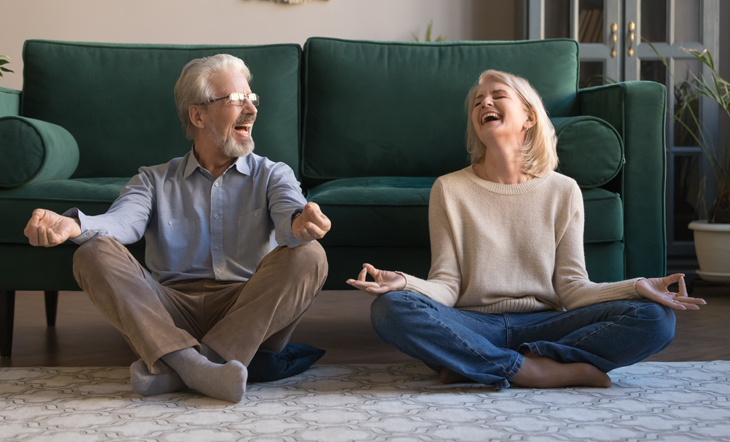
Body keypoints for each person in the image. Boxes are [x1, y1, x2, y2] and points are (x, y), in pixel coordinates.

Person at [347, 69, 706, 390]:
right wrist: (405, 283)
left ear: (529, 117)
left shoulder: (563, 190)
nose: (484, 101)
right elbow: (447, 284)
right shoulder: (449, 188)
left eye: (497, 95)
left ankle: (475, 364)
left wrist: (636, 287)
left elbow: (573, 288)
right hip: (472, 322)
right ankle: (535, 370)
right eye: (477, 101)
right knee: (390, 308)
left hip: (546, 323)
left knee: (656, 318)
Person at [23, 54, 330, 402]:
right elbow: (120, 223)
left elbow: (290, 213)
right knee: (91, 251)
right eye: (235, 100)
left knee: (310, 255)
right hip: (168, 311)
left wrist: (300, 223)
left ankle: (181, 368)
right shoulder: (152, 180)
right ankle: (200, 368)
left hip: (246, 313)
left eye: (251, 98)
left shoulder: (273, 174)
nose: (251, 109)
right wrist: (74, 225)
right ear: (197, 115)